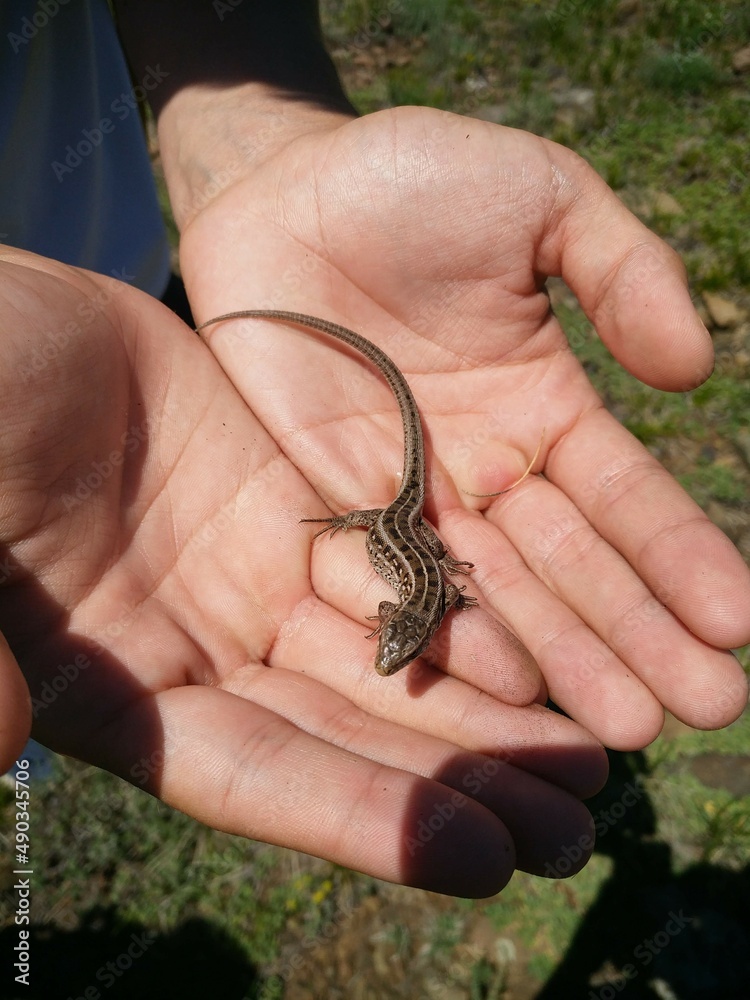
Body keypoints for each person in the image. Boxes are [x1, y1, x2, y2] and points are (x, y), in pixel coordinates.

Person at [0, 0, 747, 898]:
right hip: (313, 462)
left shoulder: (415, 618)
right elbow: (427, 589)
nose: (396, 660)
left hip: (146, 294)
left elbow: (431, 592)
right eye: (399, 652)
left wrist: (260, 131)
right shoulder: (414, 613)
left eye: (397, 655)